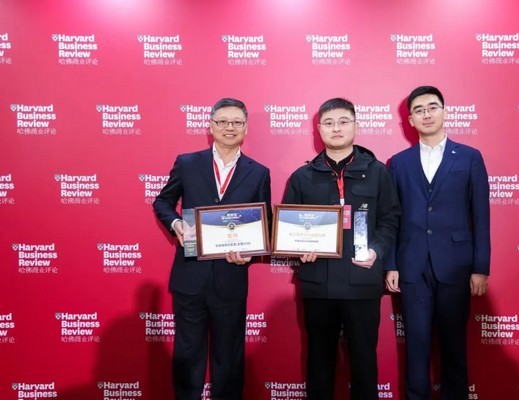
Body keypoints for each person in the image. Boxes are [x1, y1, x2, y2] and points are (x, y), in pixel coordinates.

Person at [153, 98, 272, 400]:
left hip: (231, 277)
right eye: (223, 121)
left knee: (229, 358)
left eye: (237, 122)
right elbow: (163, 201)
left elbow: (264, 223)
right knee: (187, 355)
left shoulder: (259, 172)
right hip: (190, 276)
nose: (230, 127)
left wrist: (251, 254)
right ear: (211, 126)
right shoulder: (187, 163)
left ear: (246, 128)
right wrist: (176, 224)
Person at [282, 98, 400, 400]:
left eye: (344, 121)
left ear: (356, 126)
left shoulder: (377, 172)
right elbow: (288, 226)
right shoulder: (302, 176)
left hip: (362, 281)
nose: (336, 128)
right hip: (317, 283)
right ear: (319, 129)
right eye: (329, 123)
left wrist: (376, 250)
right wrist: (298, 250)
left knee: (364, 362)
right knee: (319, 363)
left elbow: (390, 219)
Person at [385, 86, 490, 400]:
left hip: (456, 266)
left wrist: (481, 267)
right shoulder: (398, 162)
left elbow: (481, 215)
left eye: (432, 107)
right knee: (416, 346)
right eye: (419, 110)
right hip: (412, 266)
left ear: (445, 112)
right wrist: (391, 263)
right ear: (410, 120)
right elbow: (392, 217)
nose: (426, 114)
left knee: (454, 346)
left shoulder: (470, 157)